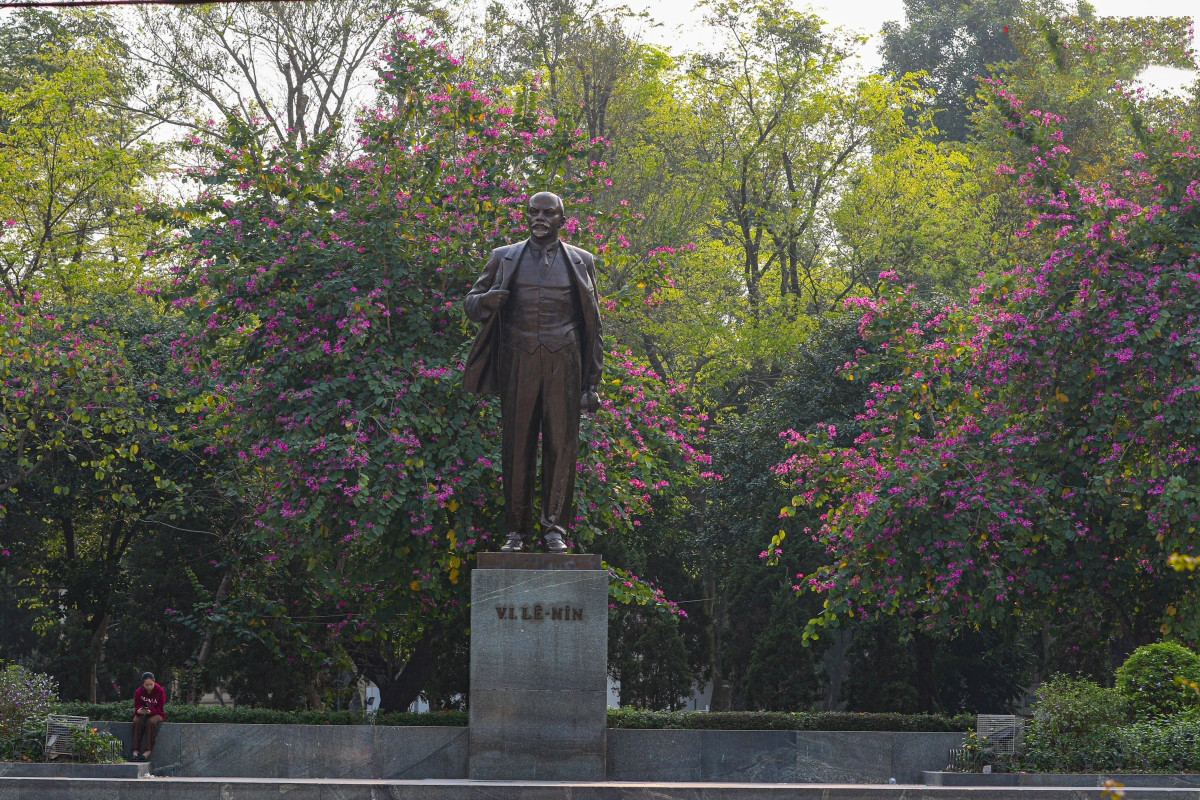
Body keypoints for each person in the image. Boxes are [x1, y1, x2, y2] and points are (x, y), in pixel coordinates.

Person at [463, 191, 603, 553]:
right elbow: (471, 304)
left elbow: (593, 325)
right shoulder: (504, 257)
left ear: (562, 218)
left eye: (547, 213)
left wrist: (592, 382)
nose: (539, 218)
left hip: (565, 362)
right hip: (518, 361)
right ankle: (516, 532)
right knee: (516, 446)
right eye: (533, 212)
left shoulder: (582, 261)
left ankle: (554, 529)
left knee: (561, 446)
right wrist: (487, 300)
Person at [130, 671, 165, 762]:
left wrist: (151, 711)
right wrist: (140, 711)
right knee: (137, 721)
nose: (149, 687)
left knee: (151, 722)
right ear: (143, 684)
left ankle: (147, 751)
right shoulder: (139, 691)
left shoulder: (160, 691)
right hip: (142, 713)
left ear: (154, 682)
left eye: (151, 684)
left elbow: (160, 707)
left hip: (157, 714)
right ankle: (135, 751)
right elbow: (137, 705)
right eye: (146, 685)